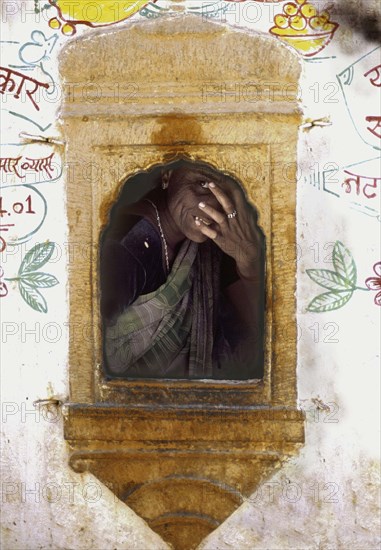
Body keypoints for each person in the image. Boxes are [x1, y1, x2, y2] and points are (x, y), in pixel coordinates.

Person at [100, 160, 264, 380]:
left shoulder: (213, 243)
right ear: (168, 175)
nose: (215, 207)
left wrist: (250, 265)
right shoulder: (129, 246)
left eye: (229, 190)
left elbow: (264, 334)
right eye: (203, 183)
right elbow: (80, 352)